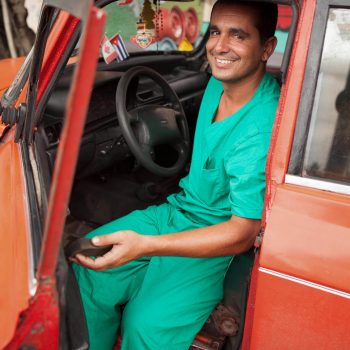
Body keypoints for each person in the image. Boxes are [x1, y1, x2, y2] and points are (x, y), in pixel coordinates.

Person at [72, 0, 280, 349]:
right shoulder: (218, 81)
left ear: (267, 48)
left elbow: (242, 233)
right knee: (90, 261)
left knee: (145, 327)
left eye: (238, 35)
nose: (219, 46)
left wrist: (148, 246)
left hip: (216, 237)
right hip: (178, 210)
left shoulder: (260, 128)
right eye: (215, 31)